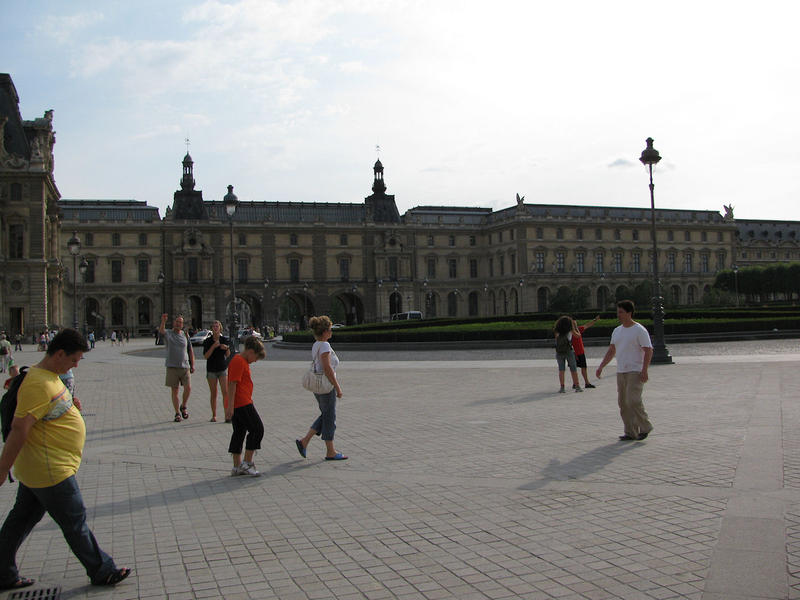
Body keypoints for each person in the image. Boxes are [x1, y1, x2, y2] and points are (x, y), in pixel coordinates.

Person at [0, 329, 131, 590]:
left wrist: (70, 406)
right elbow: (20, 429)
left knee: (21, 519)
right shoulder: (38, 383)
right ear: (59, 354)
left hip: (39, 468)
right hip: (50, 469)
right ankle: (102, 570)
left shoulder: (48, 376)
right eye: (74, 359)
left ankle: (2, 571)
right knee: (74, 519)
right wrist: (3, 469)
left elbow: (48, 410)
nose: (76, 365)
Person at [596, 300, 654, 441]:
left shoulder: (639, 330)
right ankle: (630, 432)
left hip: (635, 370)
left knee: (633, 400)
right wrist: (601, 366)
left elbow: (648, 350)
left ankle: (645, 426)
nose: (618, 315)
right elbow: (611, 350)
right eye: (618, 312)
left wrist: (644, 370)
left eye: (621, 312)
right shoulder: (617, 331)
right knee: (623, 403)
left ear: (629, 313)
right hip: (621, 371)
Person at [295, 315, 347, 460]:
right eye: (330, 329)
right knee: (329, 417)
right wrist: (337, 387)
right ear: (324, 332)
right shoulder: (324, 346)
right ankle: (330, 451)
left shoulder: (316, 344)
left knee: (326, 414)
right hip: (326, 385)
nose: (331, 332)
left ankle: (304, 441)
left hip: (318, 385)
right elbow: (327, 368)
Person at [225, 336, 266, 477]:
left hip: (239, 402)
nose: (255, 360)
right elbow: (232, 384)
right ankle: (247, 463)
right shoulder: (239, 361)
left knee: (239, 432)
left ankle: (237, 466)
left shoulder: (240, 361)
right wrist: (230, 406)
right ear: (250, 351)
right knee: (257, 429)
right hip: (242, 403)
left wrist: (231, 406)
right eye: (256, 357)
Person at [158, 314, 195, 423]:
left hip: (185, 366)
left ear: (182, 324)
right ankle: (177, 413)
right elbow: (161, 331)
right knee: (175, 391)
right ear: (174, 323)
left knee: (188, 388)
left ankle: (183, 406)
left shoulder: (185, 335)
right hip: (172, 367)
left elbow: (190, 350)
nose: (178, 324)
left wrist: (192, 364)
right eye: (177, 321)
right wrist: (163, 321)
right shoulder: (169, 333)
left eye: (180, 322)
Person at [202, 320, 231, 422]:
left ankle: (227, 415)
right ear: (211, 329)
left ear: (220, 328)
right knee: (214, 393)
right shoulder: (208, 341)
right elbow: (206, 356)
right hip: (211, 370)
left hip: (222, 368)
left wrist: (226, 348)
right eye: (214, 326)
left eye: (217, 326)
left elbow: (228, 355)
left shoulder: (224, 339)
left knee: (225, 392)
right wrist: (213, 346)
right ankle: (214, 415)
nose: (215, 328)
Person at [553, 316, 583, 393]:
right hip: (568, 351)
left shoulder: (557, 330)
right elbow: (578, 336)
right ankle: (577, 386)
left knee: (561, 370)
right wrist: (575, 327)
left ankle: (562, 387)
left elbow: (556, 339)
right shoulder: (570, 330)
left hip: (559, 352)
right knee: (573, 369)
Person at [571, 315, 600, 389]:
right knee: (574, 368)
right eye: (573, 323)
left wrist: (595, 320)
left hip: (581, 352)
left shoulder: (579, 329)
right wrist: (574, 353)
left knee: (583, 367)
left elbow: (587, 325)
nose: (575, 324)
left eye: (575, 322)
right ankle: (576, 383)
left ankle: (585, 383)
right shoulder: (570, 333)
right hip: (574, 353)